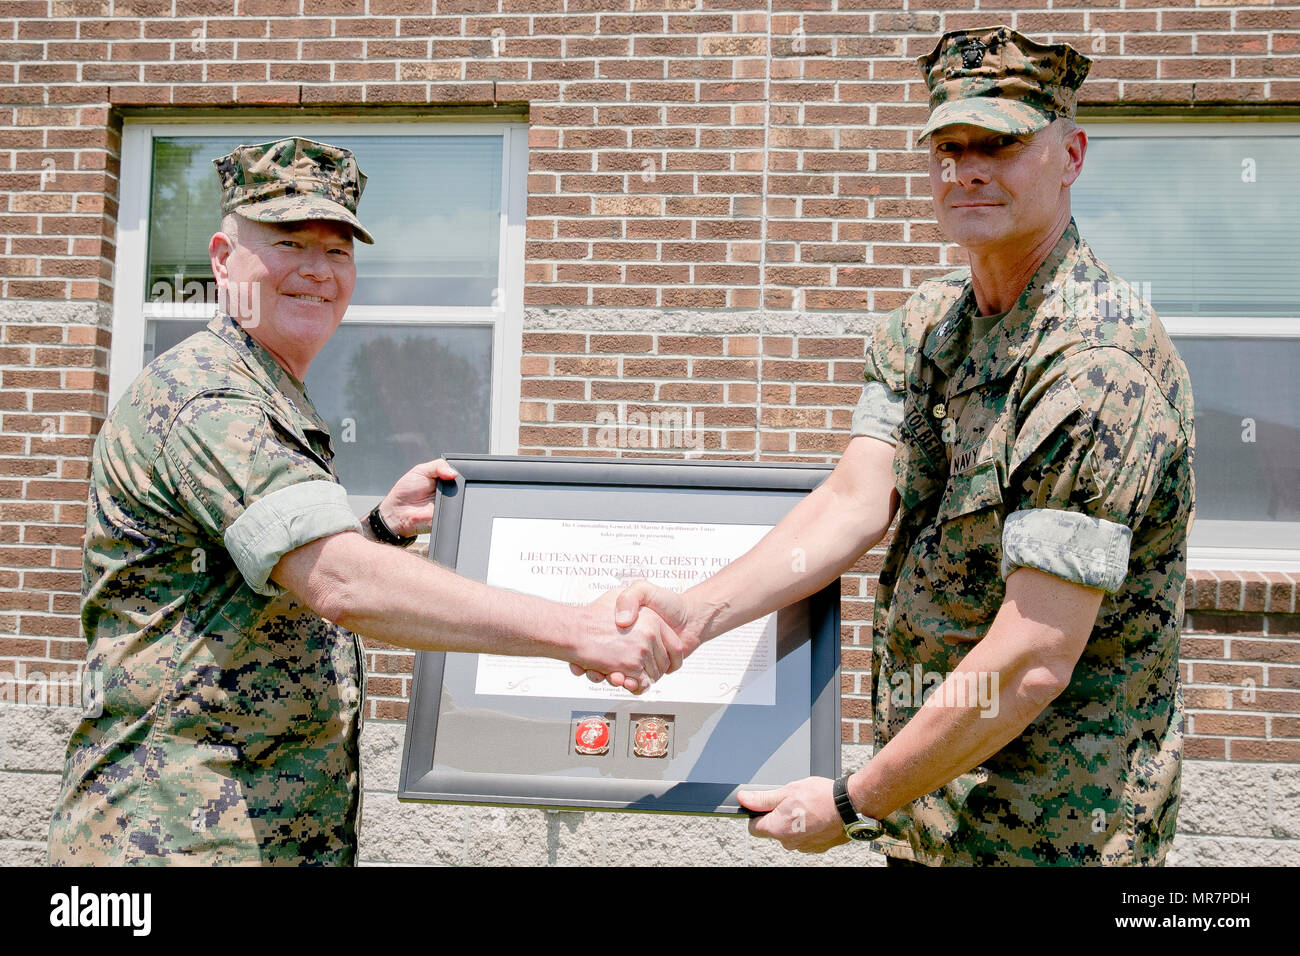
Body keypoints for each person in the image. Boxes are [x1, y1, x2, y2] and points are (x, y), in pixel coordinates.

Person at [601, 26, 1194, 865]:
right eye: (947, 146)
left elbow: (1033, 656)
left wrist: (853, 802)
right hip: (931, 819)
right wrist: (698, 615)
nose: (967, 168)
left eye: (1001, 142)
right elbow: (853, 501)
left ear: (1071, 154)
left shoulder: (1098, 364)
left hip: (1058, 835)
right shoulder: (925, 327)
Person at [48, 137, 681, 865]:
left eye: (338, 250)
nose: (318, 270)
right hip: (167, 845)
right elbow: (340, 585)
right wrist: (583, 631)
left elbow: (259, 588)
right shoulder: (206, 396)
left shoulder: (268, 391)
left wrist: (377, 530)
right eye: (289, 242)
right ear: (223, 259)